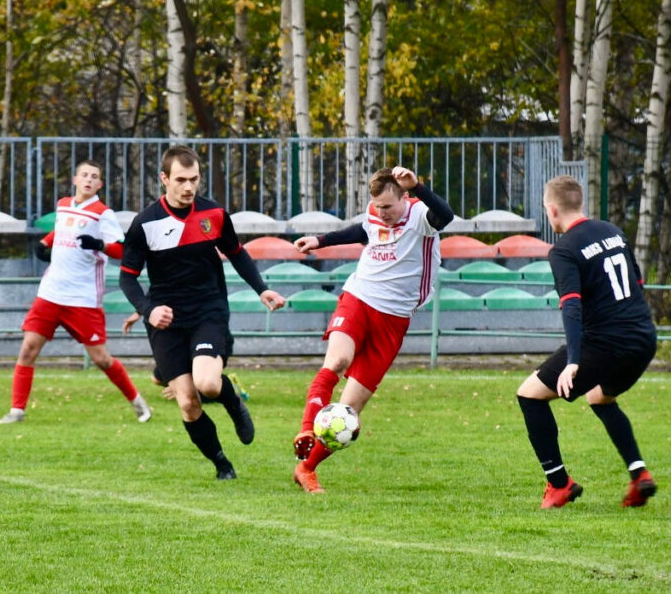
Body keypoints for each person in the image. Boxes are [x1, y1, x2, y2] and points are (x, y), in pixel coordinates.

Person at [119, 146, 285, 480]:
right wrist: (148, 310)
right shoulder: (145, 224)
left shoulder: (215, 215)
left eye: (194, 179)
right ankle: (222, 464)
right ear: (164, 179)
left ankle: (233, 402)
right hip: (166, 320)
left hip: (208, 309)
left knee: (208, 384)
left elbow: (237, 254)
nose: (189, 187)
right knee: (188, 404)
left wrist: (262, 288)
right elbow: (127, 278)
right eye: (181, 179)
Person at [290, 166, 454, 494]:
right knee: (336, 361)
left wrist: (419, 185)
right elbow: (361, 230)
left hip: (393, 318)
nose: (383, 213)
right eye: (377, 206)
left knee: (350, 412)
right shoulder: (375, 212)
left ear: (405, 198)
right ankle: (307, 430)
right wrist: (319, 241)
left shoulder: (422, 216)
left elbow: (446, 216)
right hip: (359, 297)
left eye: (389, 207)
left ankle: (306, 468)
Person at [516, 175, 657, 509]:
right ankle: (639, 474)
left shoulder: (563, 250)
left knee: (529, 395)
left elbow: (572, 304)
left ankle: (559, 484)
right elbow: (637, 282)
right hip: (643, 337)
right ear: (580, 204)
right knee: (600, 398)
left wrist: (574, 361)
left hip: (605, 343)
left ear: (551, 210)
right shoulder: (612, 230)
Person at [0, 161, 150, 424]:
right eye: (85, 175)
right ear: (75, 179)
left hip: (82, 298)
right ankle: (16, 411)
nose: (89, 180)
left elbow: (123, 250)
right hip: (51, 292)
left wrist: (99, 244)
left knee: (100, 358)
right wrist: (45, 243)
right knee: (28, 349)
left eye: (95, 176)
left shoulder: (102, 213)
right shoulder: (64, 203)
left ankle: (137, 400)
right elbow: (63, 229)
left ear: (100, 185)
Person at [121, 311, 248, 403]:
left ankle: (227, 387)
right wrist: (141, 311)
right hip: (184, 336)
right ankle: (191, 389)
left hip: (209, 336)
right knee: (157, 378)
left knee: (206, 385)